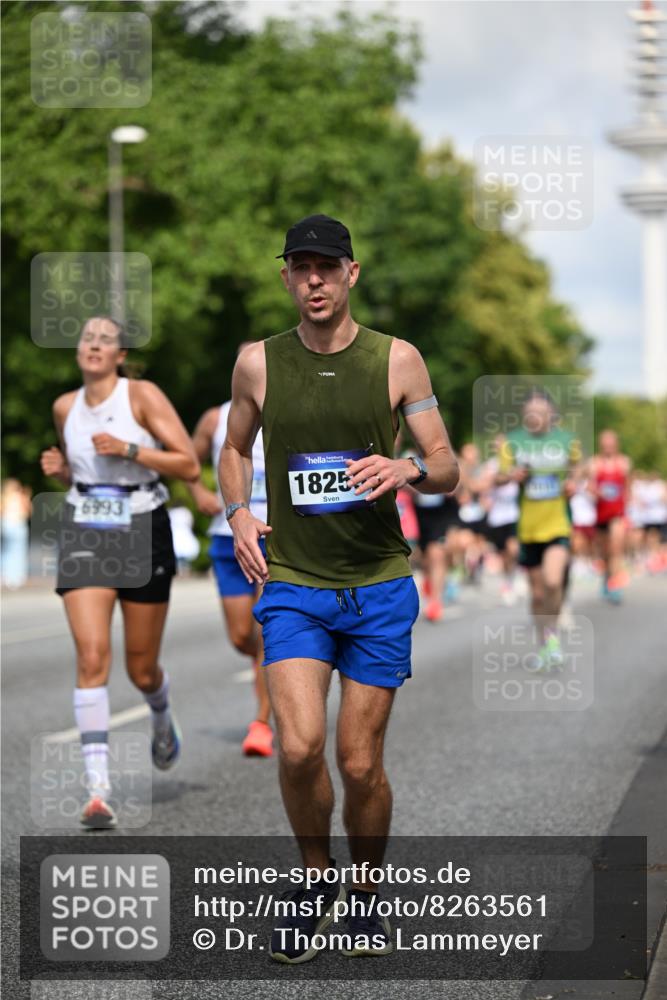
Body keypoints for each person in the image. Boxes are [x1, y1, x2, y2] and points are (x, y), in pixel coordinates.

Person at [219, 214, 459, 962]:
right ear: (286, 276)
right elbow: (230, 448)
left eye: (327, 267)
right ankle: (316, 880)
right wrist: (238, 512)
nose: (314, 280)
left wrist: (405, 469)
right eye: (301, 267)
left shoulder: (398, 362)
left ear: (351, 274)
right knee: (297, 748)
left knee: (358, 763)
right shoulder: (258, 363)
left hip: (378, 584)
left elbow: (447, 463)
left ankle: (364, 895)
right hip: (293, 580)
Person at [40, 316, 200, 829]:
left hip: (140, 525)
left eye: (104, 340)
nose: (93, 345)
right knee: (91, 656)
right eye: (86, 337)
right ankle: (98, 790)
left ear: (121, 353)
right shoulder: (65, 406)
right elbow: (84, 469)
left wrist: (129, 447)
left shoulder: (141, 396)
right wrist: (63, 472)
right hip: (86, 525)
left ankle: (159, 705)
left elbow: (189, 465)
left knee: (140, 667)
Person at [188, 350, 273, 758]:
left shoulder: (283, 407)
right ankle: (274, 670)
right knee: (242, 635)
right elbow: (188, 454)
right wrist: (199, 491)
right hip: (226, 539)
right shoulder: (214, 417)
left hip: (272, 534)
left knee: (265, 631)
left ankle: (262, 721)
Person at [497, 392, 580, 669]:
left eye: (539, 412)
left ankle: (553, 636)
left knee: (553, 581)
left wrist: (574, 482)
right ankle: (546, 645)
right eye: (529, 412)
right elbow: (497, 476)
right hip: (528, 528)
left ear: (550, 415)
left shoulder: (567, 440)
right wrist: (511, 476)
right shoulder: (513, 442)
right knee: (537, 594)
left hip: (557, 523)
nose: (533, 416)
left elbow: (580, 468)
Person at [588, 430, 631, 603]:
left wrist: (629, 510)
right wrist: (597, 492)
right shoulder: (594, 463)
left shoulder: (624, 463)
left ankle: (615, 584)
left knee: (616, 548)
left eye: (610, 442)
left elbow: (628, 487)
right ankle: (606, 576)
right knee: (605, 552)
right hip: (600, 513)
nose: (608, 446)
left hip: (618, 514)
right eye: (605, 442)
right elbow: (589, 487)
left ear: (616, 444)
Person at [0, 479, 32, 589]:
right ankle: (17, 578)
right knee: (19, 552)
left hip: (6, 525)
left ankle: (5, 576)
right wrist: (27, 496)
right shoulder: (20, 496)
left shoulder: (4, 497)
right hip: (18, 524)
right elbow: (28, 511)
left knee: (6, 551)